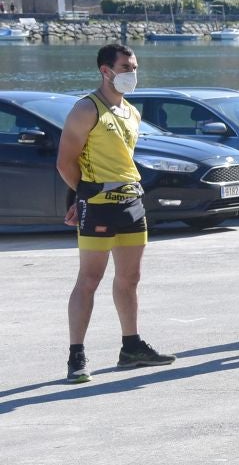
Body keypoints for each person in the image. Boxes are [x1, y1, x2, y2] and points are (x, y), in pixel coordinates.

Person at [56, 44, 175, 383]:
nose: (131, 74)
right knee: (89, 280)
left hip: (132, 203)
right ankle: (76, 355)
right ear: (105, 71)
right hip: (99, 205)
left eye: (134, 67)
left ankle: (131, 347)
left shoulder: (131, 112)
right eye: (125, 68)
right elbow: (66, 161)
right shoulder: (85, 108)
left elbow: (122, 160)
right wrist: (80, 198)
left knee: (130, 279)